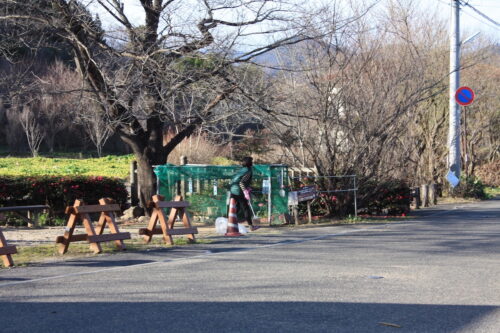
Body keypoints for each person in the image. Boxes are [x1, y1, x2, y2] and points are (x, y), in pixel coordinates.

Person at [230, 156, 260, 231]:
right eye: (252, 161)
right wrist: (245, 191)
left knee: (235, 208)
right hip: (238, 191)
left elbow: (237, 180)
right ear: (249, 163)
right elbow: (241, 182)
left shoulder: (242, 170)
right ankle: (251, 226)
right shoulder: (248, 170)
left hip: (232, 190)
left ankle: (229, 224)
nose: (253, 163)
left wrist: (247, 187)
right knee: (246, 208)